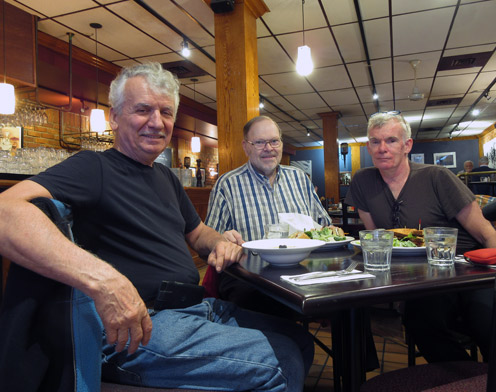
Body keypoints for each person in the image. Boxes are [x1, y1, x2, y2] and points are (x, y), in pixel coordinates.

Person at [0, 63, 314, 391]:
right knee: (281, 361)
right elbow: (5, 211)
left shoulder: (165, 176)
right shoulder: (93, 167)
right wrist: (104, 281)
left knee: (300, 340)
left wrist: (219, 241)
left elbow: (198, 232)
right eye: (142, 110)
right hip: (142, 323)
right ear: (114, 117)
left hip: (196, 308)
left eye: (166, 112)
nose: (156, 121)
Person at [345, 111, 496, 363]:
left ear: (407, 145)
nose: (382, 148)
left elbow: (486, 234)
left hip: (467, 270)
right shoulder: (363, 181)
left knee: (489, 321)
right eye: (375, 141)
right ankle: (468, 377)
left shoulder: (437, 176)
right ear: (368, 147)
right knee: (420, 321)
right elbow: (375, 240)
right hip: (422, 281)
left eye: (391, 140)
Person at [204, 115, 331, 311]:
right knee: (267, 307)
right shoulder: (227, 185)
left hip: (302, 272)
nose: (269, 148)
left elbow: (324, 226)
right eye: (260, 142)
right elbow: (209, 242)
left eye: (274, 141)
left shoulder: (299, 178)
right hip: (250, 278)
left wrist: (327, 231)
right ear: (246, 147)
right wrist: (222, 240)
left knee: (345, 300)